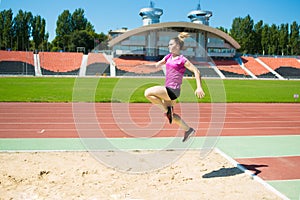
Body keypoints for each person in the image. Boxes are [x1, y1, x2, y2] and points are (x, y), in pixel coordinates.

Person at [144, 32, 205, 142]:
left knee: (147, 93)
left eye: (170, 44)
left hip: (173, 90)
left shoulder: (182, 60)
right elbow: (157, 64)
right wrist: (146, 67)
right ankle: (188, 129)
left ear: (177, 46)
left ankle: (167, 110)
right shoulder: (168, 57)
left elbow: (197, 71)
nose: (168, 46)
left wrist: (199, 87)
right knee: (173, 117)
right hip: (169, 91)